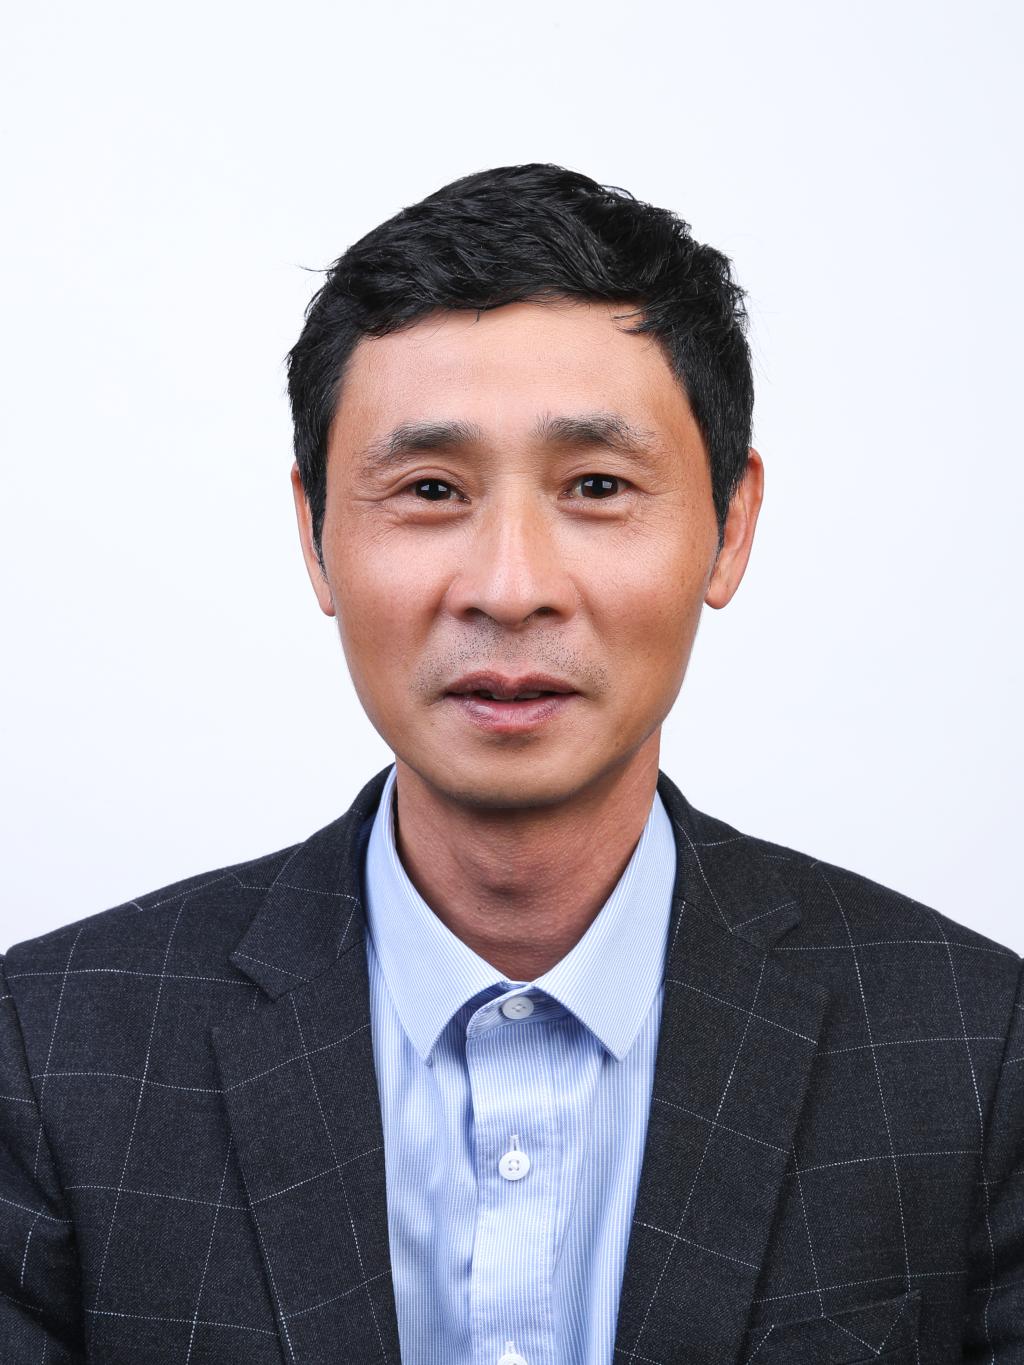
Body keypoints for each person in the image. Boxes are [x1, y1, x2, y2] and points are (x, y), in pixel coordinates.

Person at [0, 164, 1020, 1365]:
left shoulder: (972, 1051)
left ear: (729, 526)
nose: (509, 586)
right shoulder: (52, 1051)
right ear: (315, 537)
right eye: (430, 489)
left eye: (597, 486)